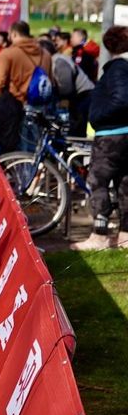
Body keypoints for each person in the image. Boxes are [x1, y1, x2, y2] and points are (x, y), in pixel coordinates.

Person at [75, 25, 128, 250]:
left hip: (111, 135)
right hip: (123, 133)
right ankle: (125, 235)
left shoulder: (118, 68)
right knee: (125, 183)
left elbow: (122, 99)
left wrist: (96, 115)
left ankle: (100, 235)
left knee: (98, 181)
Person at [0, 20, 52, 151]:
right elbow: (50, 81)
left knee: (18, 153)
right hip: (41, 108)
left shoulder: (8, 54)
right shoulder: (46, 54)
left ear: (13, 34)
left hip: (16, 108)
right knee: (37, 152)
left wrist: (1, 106)